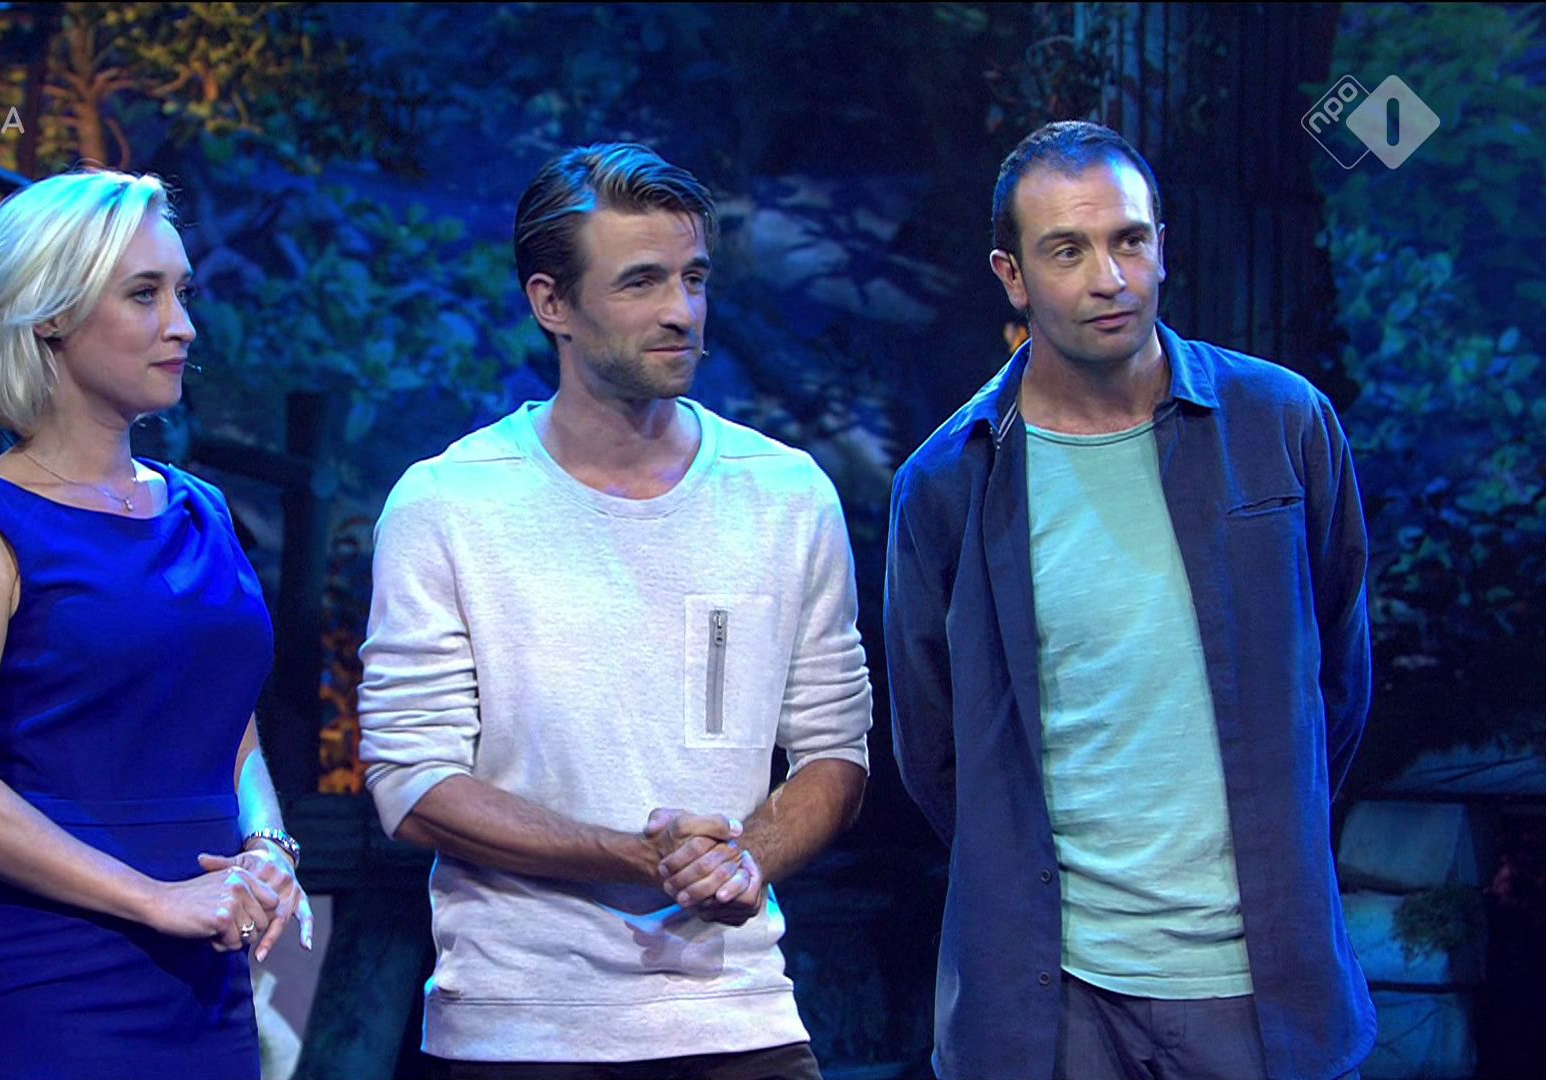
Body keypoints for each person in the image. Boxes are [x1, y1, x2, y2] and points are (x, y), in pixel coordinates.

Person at [358, 142, 873, 1079]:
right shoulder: (448, 504)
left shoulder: (787, 494)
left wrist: (745, 862)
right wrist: (635, 856)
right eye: (642, 282)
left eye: (693, 278)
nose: (682, 311)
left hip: (738, 1014)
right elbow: (411, 780)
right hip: (520, 1024)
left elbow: (835, 751)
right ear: (551, 303)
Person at [884, 120, 1374, 1080]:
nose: (1109, 278)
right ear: (1013, 276)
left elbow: (1340, 684)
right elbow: (935, 750)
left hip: (1263, 985)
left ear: (1162, 247)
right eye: (1067, 250)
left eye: (1129, 240)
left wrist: (1280, 837)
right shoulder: (949, 479)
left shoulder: (1282, 423)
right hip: (1058, 999)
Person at [0, 169, 313, 1079]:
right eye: (144, 294)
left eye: (183, 292)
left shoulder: (201, 511)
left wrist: (267, 842)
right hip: (53, 988)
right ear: (50, 315)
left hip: (207, 989)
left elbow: (221, 713)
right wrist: (156, 899)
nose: (183, 325)